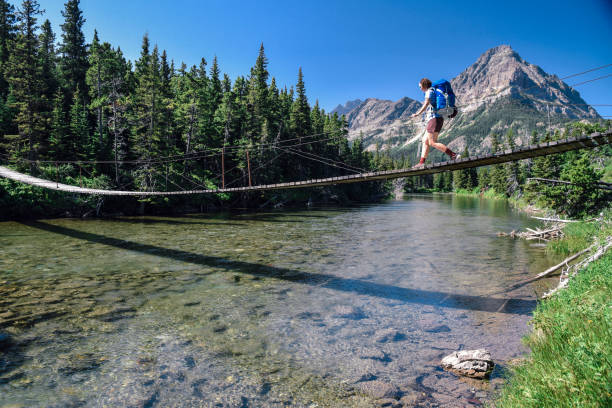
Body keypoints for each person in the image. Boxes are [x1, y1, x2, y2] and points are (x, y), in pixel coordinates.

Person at [411, 78, 458, 167]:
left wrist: (417, 114)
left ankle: (453, 155)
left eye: (420, 86)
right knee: (425, 141)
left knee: (432, 142)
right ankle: (421, 163)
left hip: (434, 119)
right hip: (435, 119)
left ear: (424, 85)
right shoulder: (433, 90)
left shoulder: (429, 91)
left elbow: (426, 104)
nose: (420, 88)